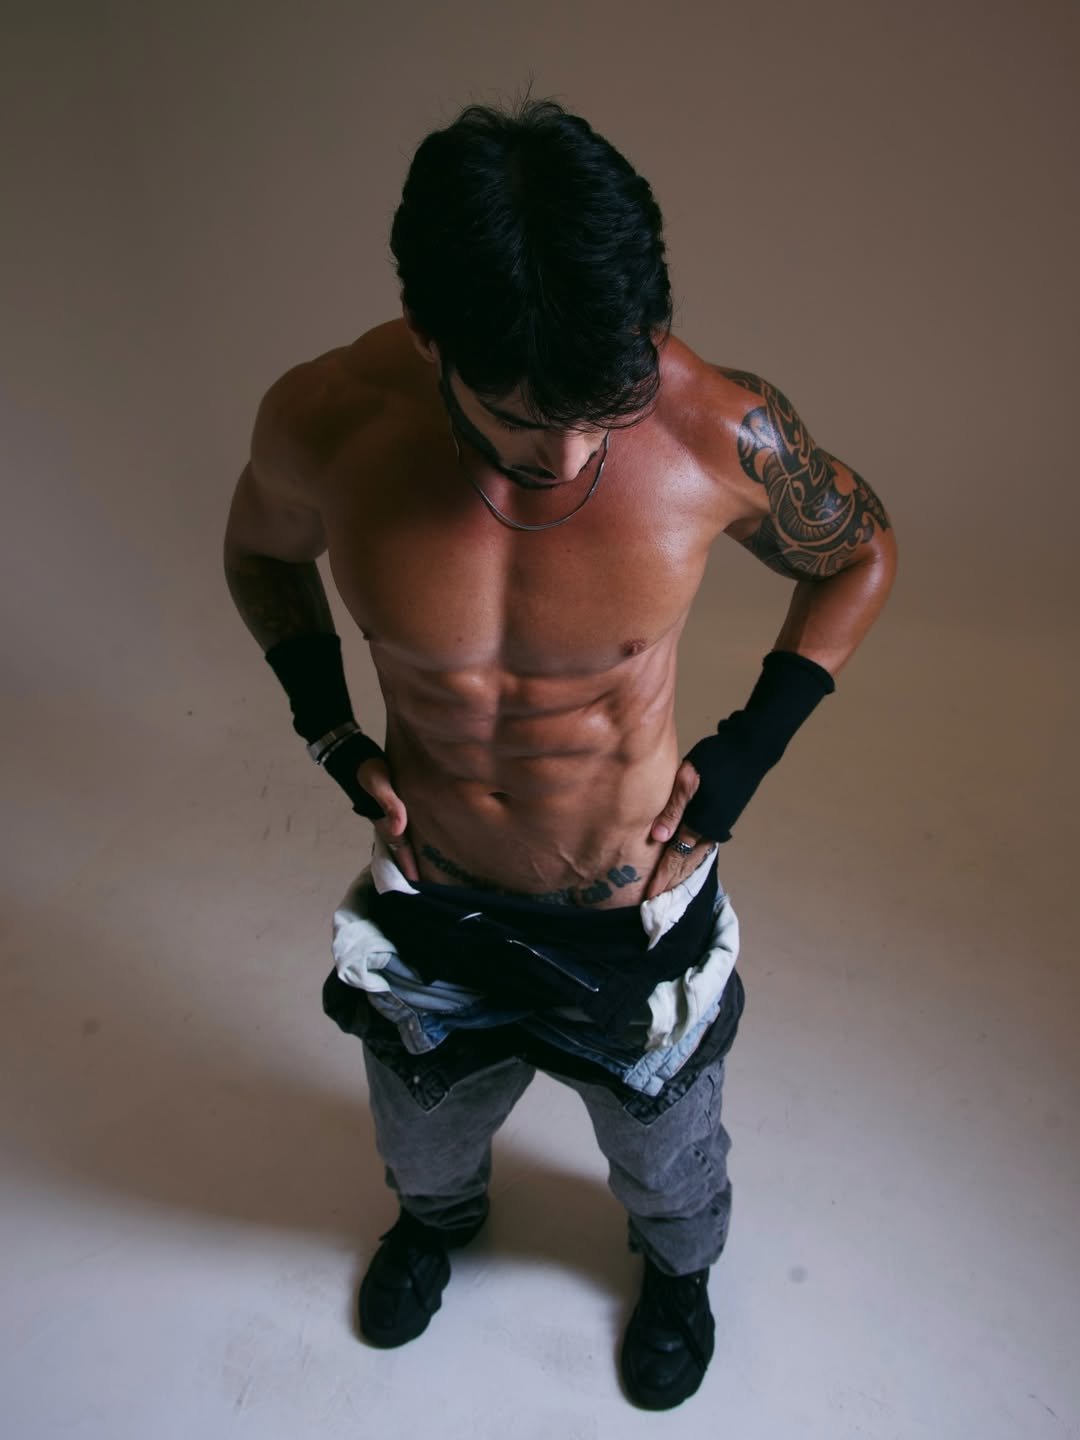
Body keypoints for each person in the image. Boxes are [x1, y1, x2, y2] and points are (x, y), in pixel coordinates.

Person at [223, 95, 897, 1411]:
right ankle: (438, 1223)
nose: (576, 452)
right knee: (421, 1132)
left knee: (670, 1158)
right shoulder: (329, 420)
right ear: (431, 336)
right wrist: (327, 729)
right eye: (529, 420)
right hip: (434, 897)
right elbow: (258, 551)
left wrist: (748, 753)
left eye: (606, 407)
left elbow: (858, 552)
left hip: (632, 908)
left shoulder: (718, 428)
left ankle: (680, 1275)